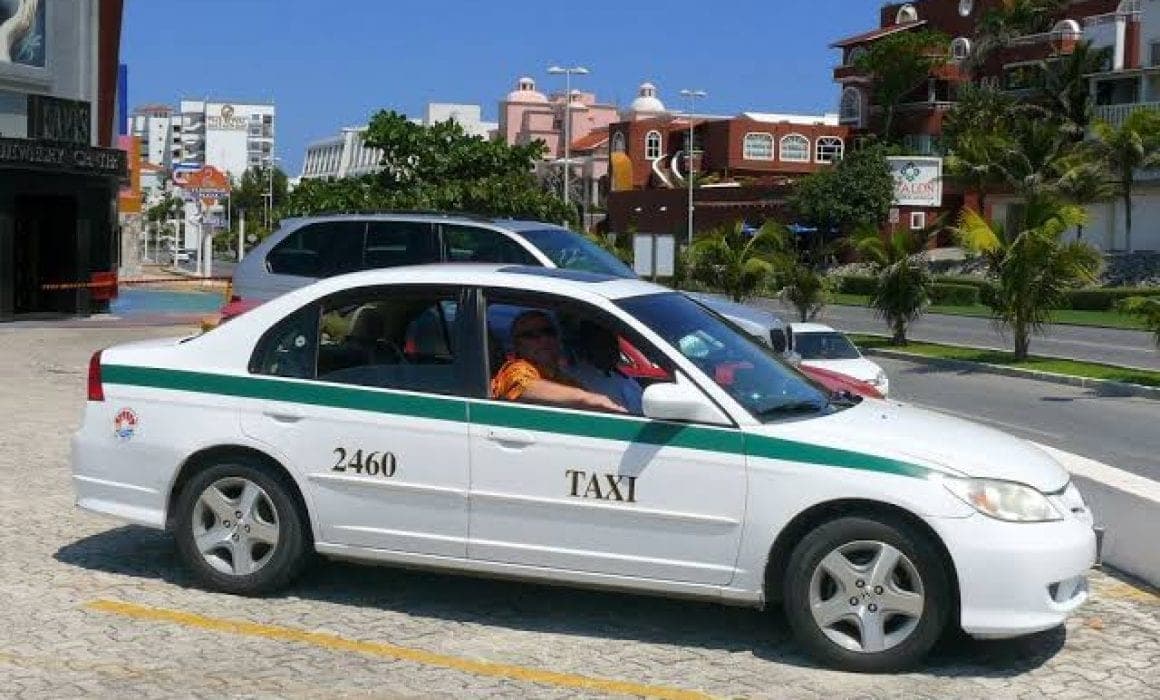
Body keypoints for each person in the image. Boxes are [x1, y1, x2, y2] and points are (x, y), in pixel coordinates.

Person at [491, 310, 626, 413]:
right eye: (529, 335)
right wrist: (588, 398)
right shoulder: (515, 369)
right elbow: (524, 387)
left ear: (557, 338)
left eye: (548, 332)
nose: (542, 339)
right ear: (517, 345)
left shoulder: (565, 379)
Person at [570, 322, 644, 415]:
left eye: (614, 342)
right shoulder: (578, 378)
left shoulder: (622, 377)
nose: (614, 348)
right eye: (604, 343)